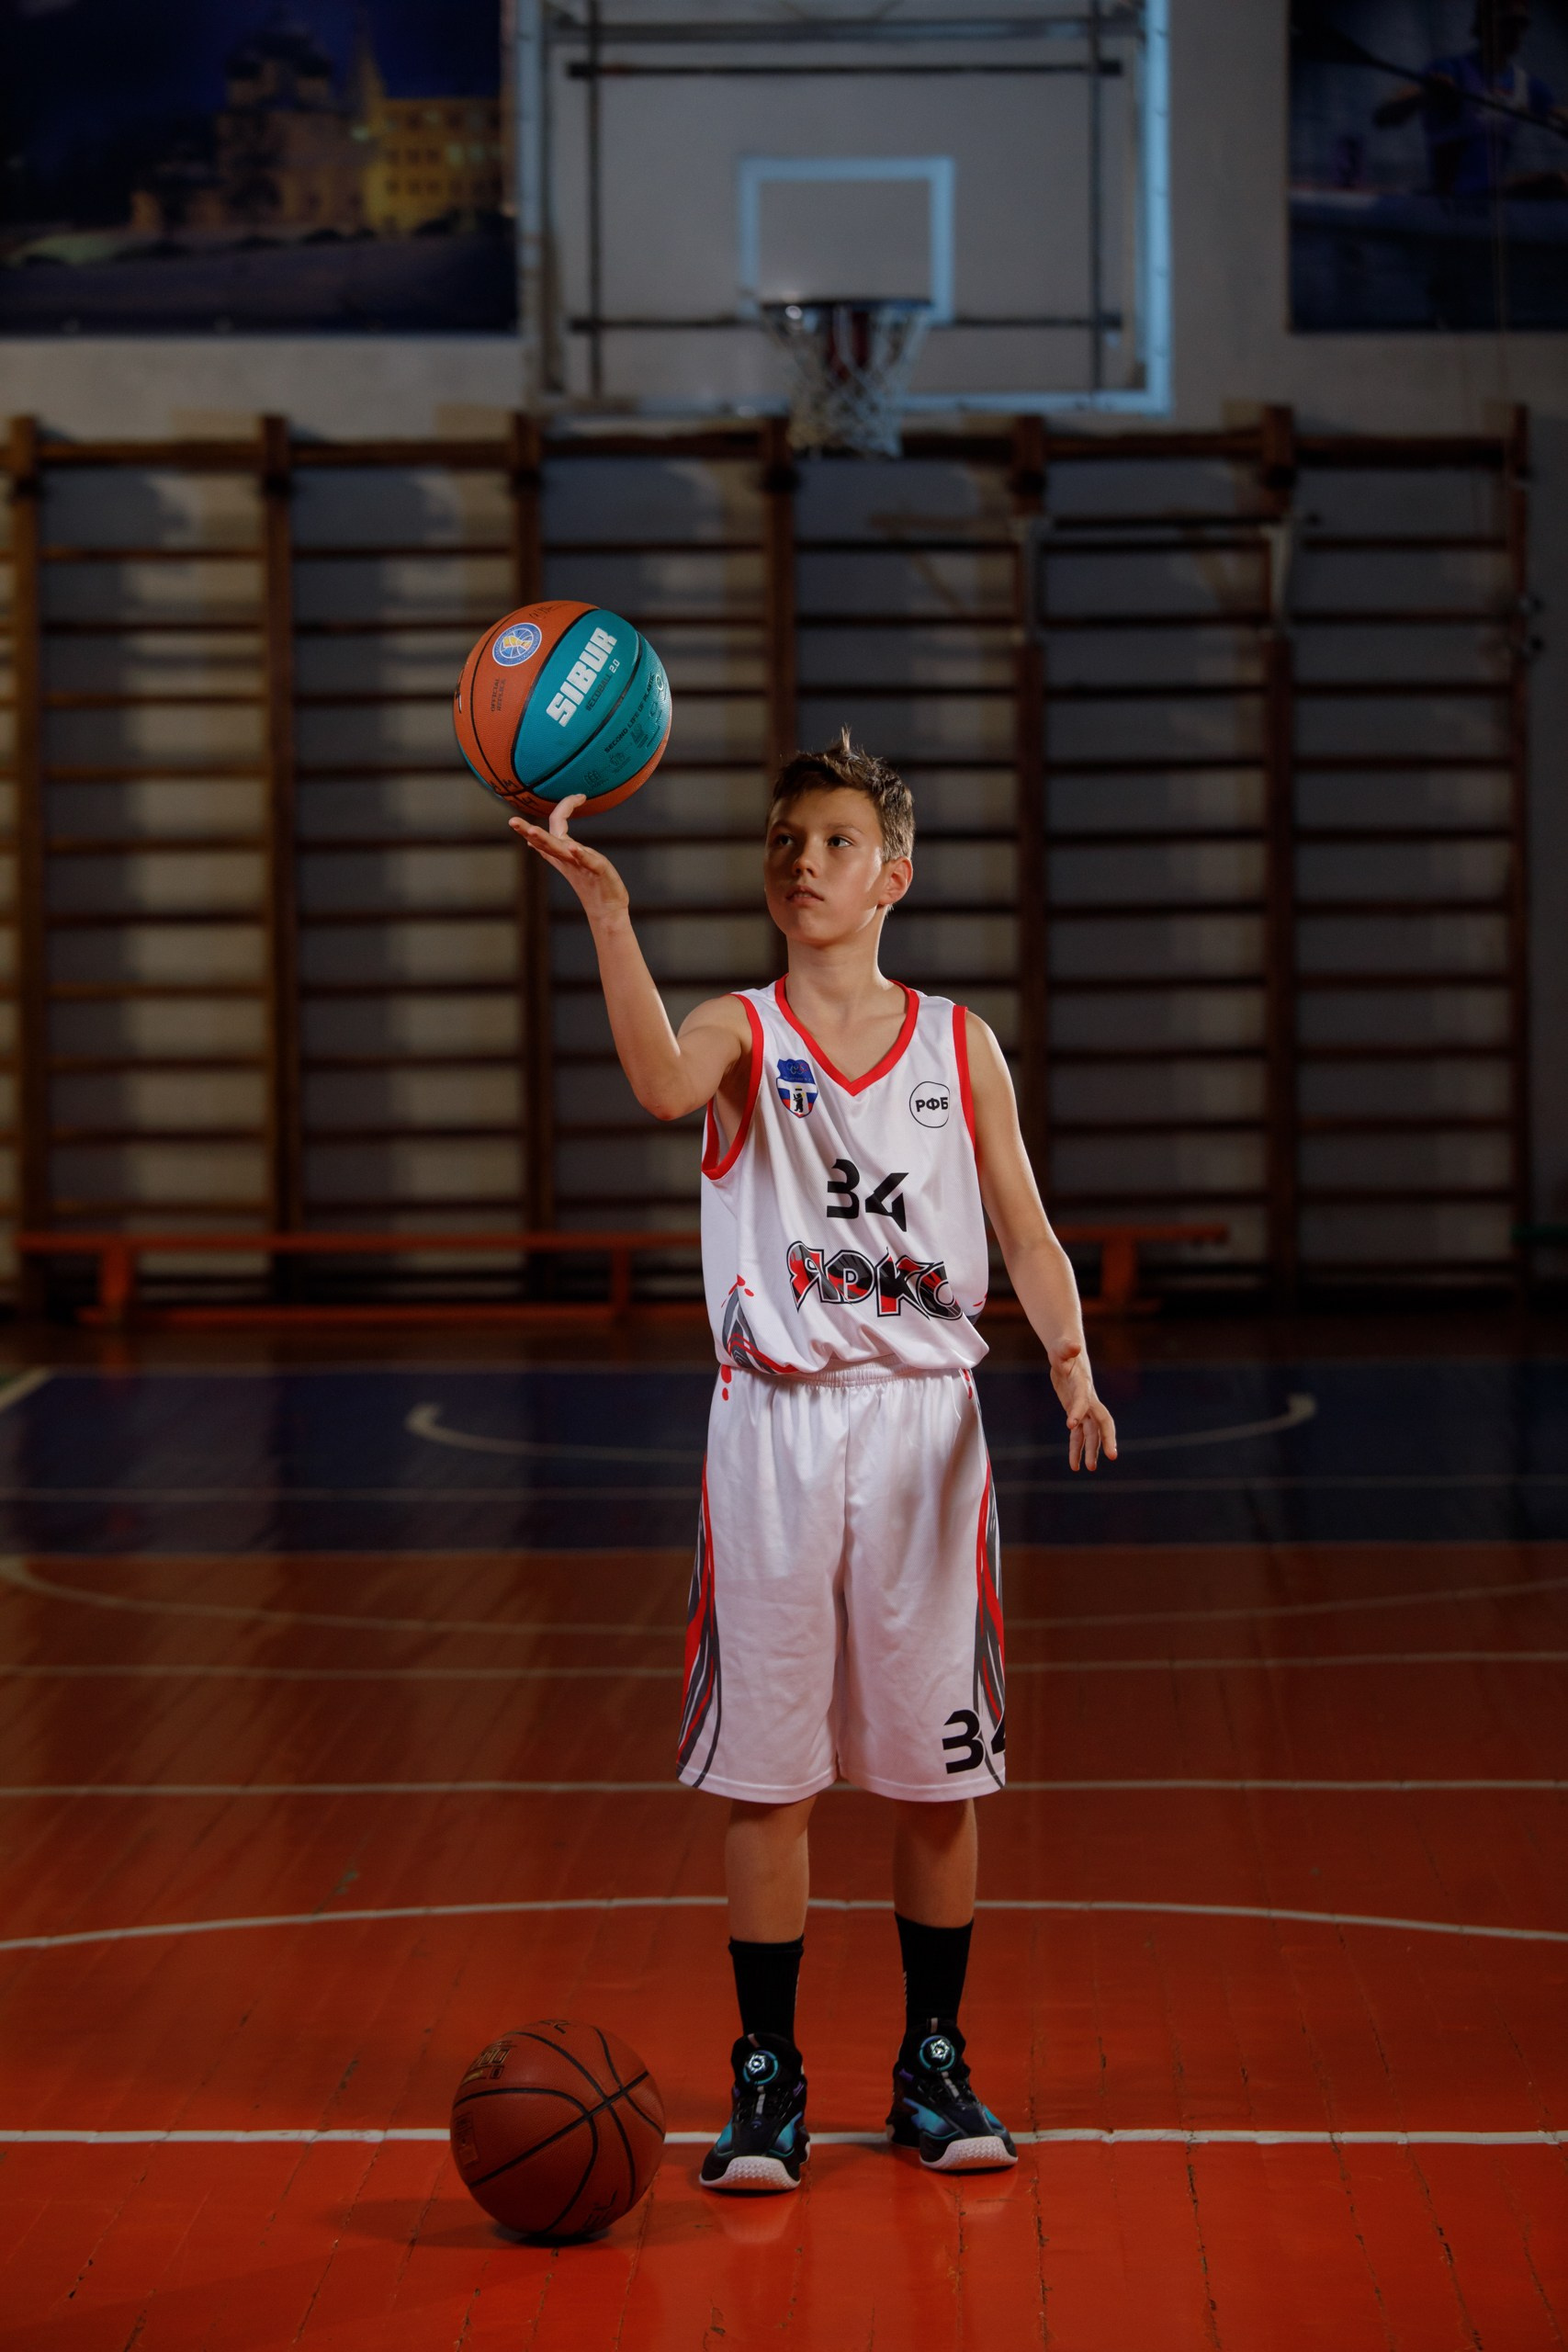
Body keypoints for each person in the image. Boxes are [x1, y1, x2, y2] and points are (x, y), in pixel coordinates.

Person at [512, 730, 1116, 2193]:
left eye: (836, 841)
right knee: (766, 1776)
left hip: (923, 1432)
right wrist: (607, 912)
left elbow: (1025, 1227)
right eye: (785, 840)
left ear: (891, 875)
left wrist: (1068, 1360)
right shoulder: (739, 1030)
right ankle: (766, 2076)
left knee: (934, 1777)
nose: (803, 862)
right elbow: (660, 1085)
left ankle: (930, 2063)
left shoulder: (957, 1044)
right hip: (772, 1428)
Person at [1372, 0, 1568, 198]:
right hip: (1452, 197)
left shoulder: (1526, 84)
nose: (1516, 32)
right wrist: (1425, 96)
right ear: (1484, 25)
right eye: (1508, 23)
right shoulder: (1450, 70)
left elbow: (1561, 114)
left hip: (1496, 197)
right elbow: (1383, 117)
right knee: (1551, 182)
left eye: (1521, 24)